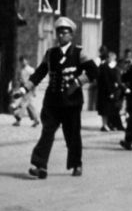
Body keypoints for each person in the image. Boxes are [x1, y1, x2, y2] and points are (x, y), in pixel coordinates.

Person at [21, 16, 98, 179]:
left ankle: (76, 164)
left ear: (72, 34)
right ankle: (40, 166)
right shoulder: (51, 53)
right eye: (59, 32)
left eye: (65, 32)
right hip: (52, 101)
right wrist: (25, 88)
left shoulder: (79, 52)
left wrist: (78, 82)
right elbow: (39, 73)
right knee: (47, 132)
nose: (61, 35)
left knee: (72, 134)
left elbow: (93, 71)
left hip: (71, 101)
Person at [96, 49, 124, 131]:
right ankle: (105, 125)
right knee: (105, 110)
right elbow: (106, 80)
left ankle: (108, 124)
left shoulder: (112, 67)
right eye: (110, 58)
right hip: (105, 91)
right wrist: (110, 91)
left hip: (109, 91)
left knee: (109, 109)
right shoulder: (104, 67)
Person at [12, 55, 40, 127]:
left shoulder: (30, 70)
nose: (23, 62)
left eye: (24, 60)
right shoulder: (22, 70)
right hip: (24, 89)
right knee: (29, 105)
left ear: (27, 61)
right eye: (21, 61)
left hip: (29, 89)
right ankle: (36, 120)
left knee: (23, 104)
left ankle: (18, 119)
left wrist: (34, 90)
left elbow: (34, 80)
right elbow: (21, 80)